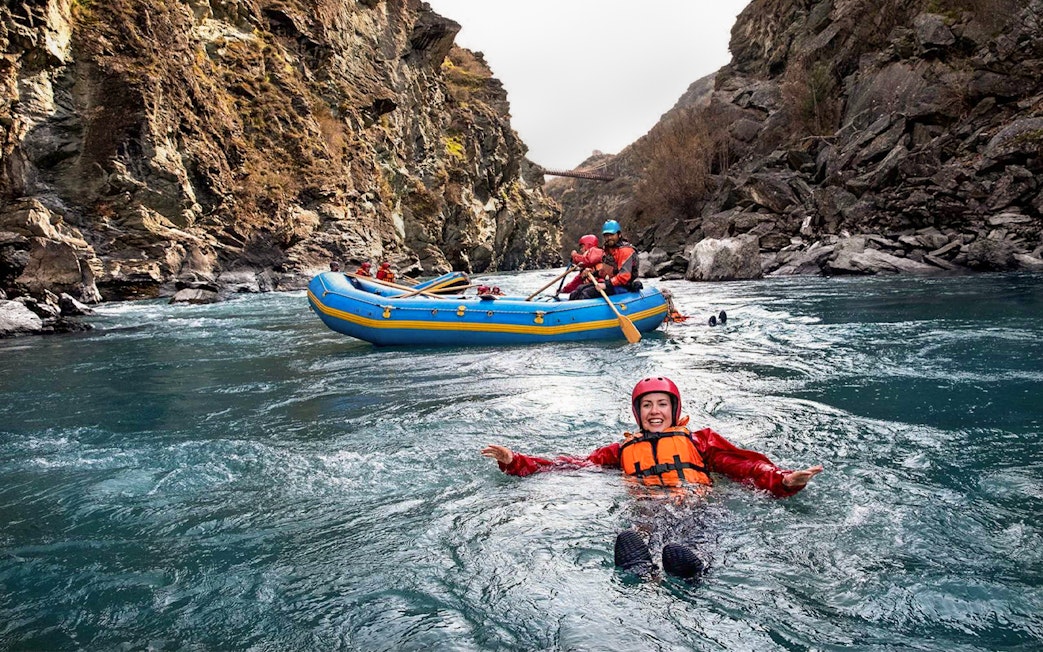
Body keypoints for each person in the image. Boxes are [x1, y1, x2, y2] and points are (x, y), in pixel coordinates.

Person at [482, 377, 824, 581]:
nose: (655, 411)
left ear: (674, 410)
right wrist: (516, 462)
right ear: (638, 412)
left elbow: (744, 468)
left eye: (662, 404)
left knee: (693, 531)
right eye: (647, 406)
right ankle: (642, 568)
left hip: (694, 502)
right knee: (641, 528)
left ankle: (693, 567)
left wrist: (782, 481)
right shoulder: (620, 449)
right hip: (649, 504)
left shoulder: (699, 441)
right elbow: (569, 465)